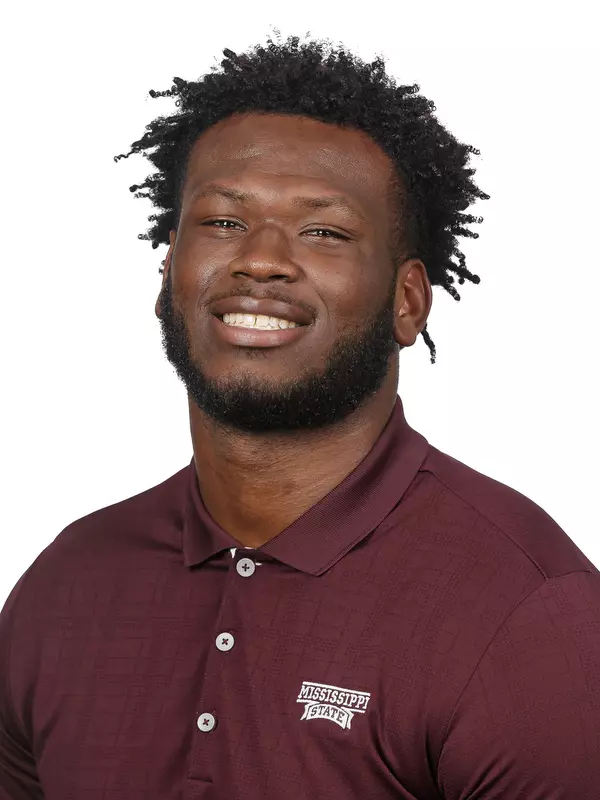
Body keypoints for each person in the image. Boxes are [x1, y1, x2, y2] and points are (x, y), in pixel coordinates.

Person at [1, 33, 598, 800]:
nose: (260, 260)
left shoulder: (527, 611)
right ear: (167, 272)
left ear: (408, 301)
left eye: (324, 232)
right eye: (222, 222)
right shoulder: (66, 583)